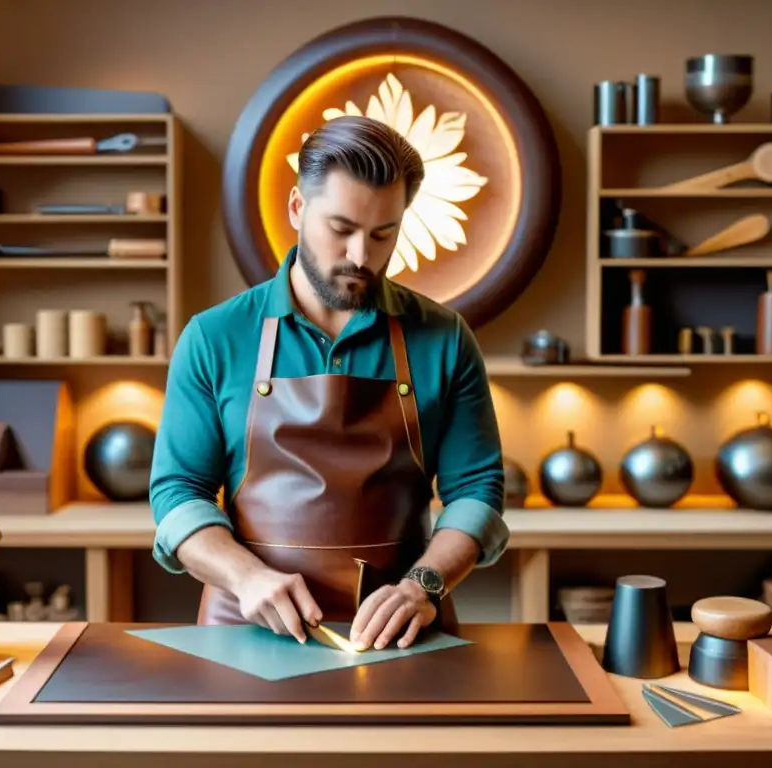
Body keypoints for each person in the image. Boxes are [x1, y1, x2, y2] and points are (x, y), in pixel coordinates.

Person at [149, 115, 509, 651]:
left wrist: (425, 585)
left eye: (383, 234)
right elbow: (177, 493)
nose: (361, 256)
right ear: (297, 208)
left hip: (402, 633)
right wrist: (246, 576)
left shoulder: (444, 337)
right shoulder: (215, 337)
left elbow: (476, 492)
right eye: (340, 230)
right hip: (245, 629)